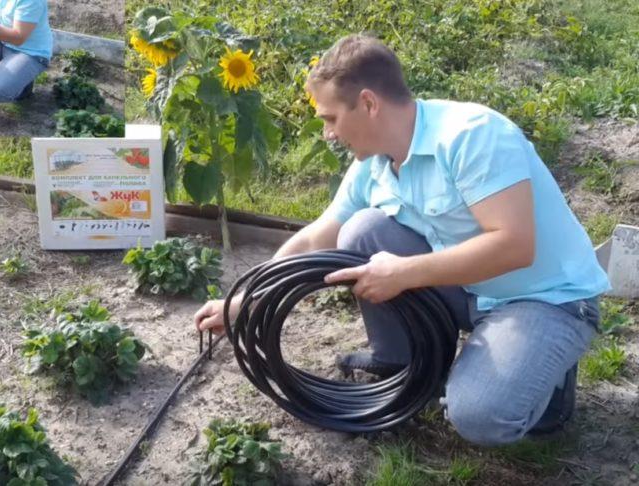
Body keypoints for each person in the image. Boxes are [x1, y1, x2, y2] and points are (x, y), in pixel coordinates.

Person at [193, 34, 610, 446]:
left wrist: (405, 272)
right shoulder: (374, 163)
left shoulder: (472, 136)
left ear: (369, 104)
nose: (328, 134)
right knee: (360, 230)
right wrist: (243, 302)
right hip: (469, 287)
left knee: (479, 415)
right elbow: (316, 237)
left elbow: (515, 246)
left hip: (543, 298)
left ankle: (549, 386)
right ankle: (403, 366)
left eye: (331, 118)